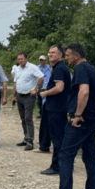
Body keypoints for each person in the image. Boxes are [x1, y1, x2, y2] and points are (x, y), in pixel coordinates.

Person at [54, 43, 95, 189]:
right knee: (90, 158)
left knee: (65, 155)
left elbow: (84, 91)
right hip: (92, 119)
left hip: (81, 121)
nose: (66, 58)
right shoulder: (92, 68)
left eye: (68, 55)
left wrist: (78, 115)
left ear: (77, 55)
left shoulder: (80, 68)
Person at [40, 46, 71, 176]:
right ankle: (64, 164)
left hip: (57, 109)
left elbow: (59, 88)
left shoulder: (59, 68)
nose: (50, 54)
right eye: (49, 52)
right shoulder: (59, 68)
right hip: (58, 108)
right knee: (60, 138)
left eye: (53, 52)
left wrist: (46, 93)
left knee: (57, 139)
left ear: (60, 55)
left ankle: (56, 166)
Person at [12, 53, 44, 151]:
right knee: (23, 118)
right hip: (20, 96)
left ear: (26, 59)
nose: (20, 61)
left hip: (29, 96)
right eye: (18, 59)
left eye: (22, 59)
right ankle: (26, 138)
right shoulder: (17, 69)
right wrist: (13, 96)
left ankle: (30, 141)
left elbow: (41, 78)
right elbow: (15, 83)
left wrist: (36, 89)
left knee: (28, 118)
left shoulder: (32, 67)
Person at [37, 55, 52, 152]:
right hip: (44, 94)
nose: (42, 61)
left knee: (49, 125)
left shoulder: (50, 69)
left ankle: (46, 146)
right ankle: (44, 146)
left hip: (51, 99)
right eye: (40, 60)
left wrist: (47, 91)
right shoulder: (37, 68)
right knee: (44, 124)